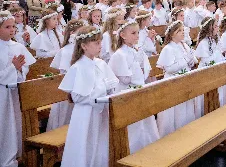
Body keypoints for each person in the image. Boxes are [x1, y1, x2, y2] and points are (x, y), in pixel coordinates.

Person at [58, 26, 119, 167]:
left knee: (100, 143)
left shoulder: (101, 63)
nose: (100, 46)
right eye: (96, 43)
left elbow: (111, 85)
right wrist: (100, 90)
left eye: (100, 42)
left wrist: (107, 90)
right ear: (84, 46)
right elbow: (78, 97)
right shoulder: (78, 67)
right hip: (85, 114)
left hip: (101, 112)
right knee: (85, 145)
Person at [108, 20, 160, 153]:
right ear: (123, 35)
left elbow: (145, 72)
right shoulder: (119, 54)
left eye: (137, 33)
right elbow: (125, 78)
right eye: (133, 33)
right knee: (133, 126)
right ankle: (132, 152)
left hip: (138, 90)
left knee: (144, 123)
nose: (137, 36)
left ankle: (146, 149)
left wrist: (141, 65)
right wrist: (136, 64)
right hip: (126, 93)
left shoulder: (136, 51)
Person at [0, 10, 36, 167]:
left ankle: (13, 156)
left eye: (13, 26)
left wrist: (20, 69)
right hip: (1, 94)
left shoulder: (18, 46)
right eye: (7, 27)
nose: (12, 30)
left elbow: (26, 69)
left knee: (13, 124)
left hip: (14, 92)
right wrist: (12, 68)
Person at [156, 20, 197, 137]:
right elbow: (170, 69)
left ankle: (186, 131)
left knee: (185, 106)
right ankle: (173, 134)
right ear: (172, 34)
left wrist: (190, 60)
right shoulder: (168, 49)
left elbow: (191, 62)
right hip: (173, 82)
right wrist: (185, 60)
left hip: (184, 79)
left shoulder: (183, 45)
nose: (183, 33)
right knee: (175, 110)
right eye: (179, 31)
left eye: (183, 30)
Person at [48, 19, 84, 131]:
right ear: (73, 33)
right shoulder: (66, 51)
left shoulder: (82, 49)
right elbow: (65, 74)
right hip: (68, 92)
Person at [194, 17, 224, 111]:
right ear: (209, 28)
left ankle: (216, 107)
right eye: (215, 26)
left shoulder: (214, 40)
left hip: (215, 68)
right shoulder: (203, 43)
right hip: (206, 70)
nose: (217, 28)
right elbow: (207, 60)